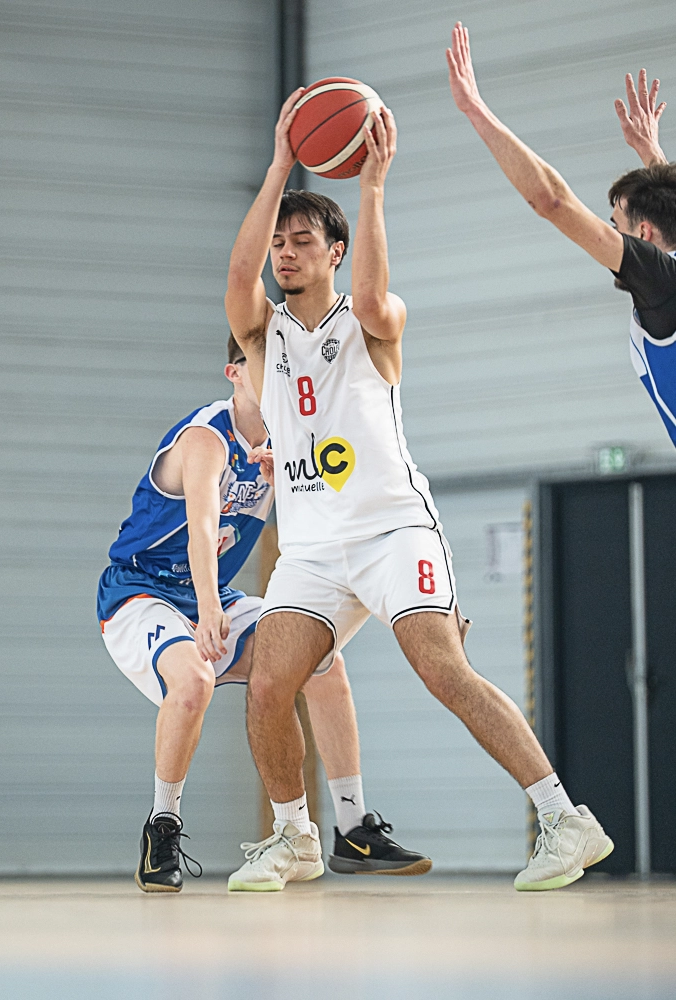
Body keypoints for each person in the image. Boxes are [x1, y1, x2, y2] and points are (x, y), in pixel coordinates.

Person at [224, 88, 612, 893]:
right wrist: (279, 164)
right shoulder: (264, 334)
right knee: (267, 684)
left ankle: (564, 819)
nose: (284, 253)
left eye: (302, 241)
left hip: (393, 530)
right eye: (279, 243)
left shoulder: (374, 321)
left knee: (443, 669)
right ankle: (296, 838)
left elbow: (371, 297)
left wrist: (371, 187)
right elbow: (237, 273)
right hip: (313, 550)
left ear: (336, 250)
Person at [97, 334, 429, 893]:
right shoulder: (207, 437)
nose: (275, 375)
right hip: (141, 590)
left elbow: (339, 519)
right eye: (261, 364)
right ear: (234, 374)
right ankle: (162, 827)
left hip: (213, 593)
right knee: (194, 681)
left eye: (281, 366)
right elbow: (202, 526)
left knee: (322, 663)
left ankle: (351, 829)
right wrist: (208, 608)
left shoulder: (288, 441)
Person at [447, 23, 676, 446]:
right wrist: (651, 155)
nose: (613, 235)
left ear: (643, 234)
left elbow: (552, 201)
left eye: (617, 228)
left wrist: (475, 109)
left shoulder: (662, 281)